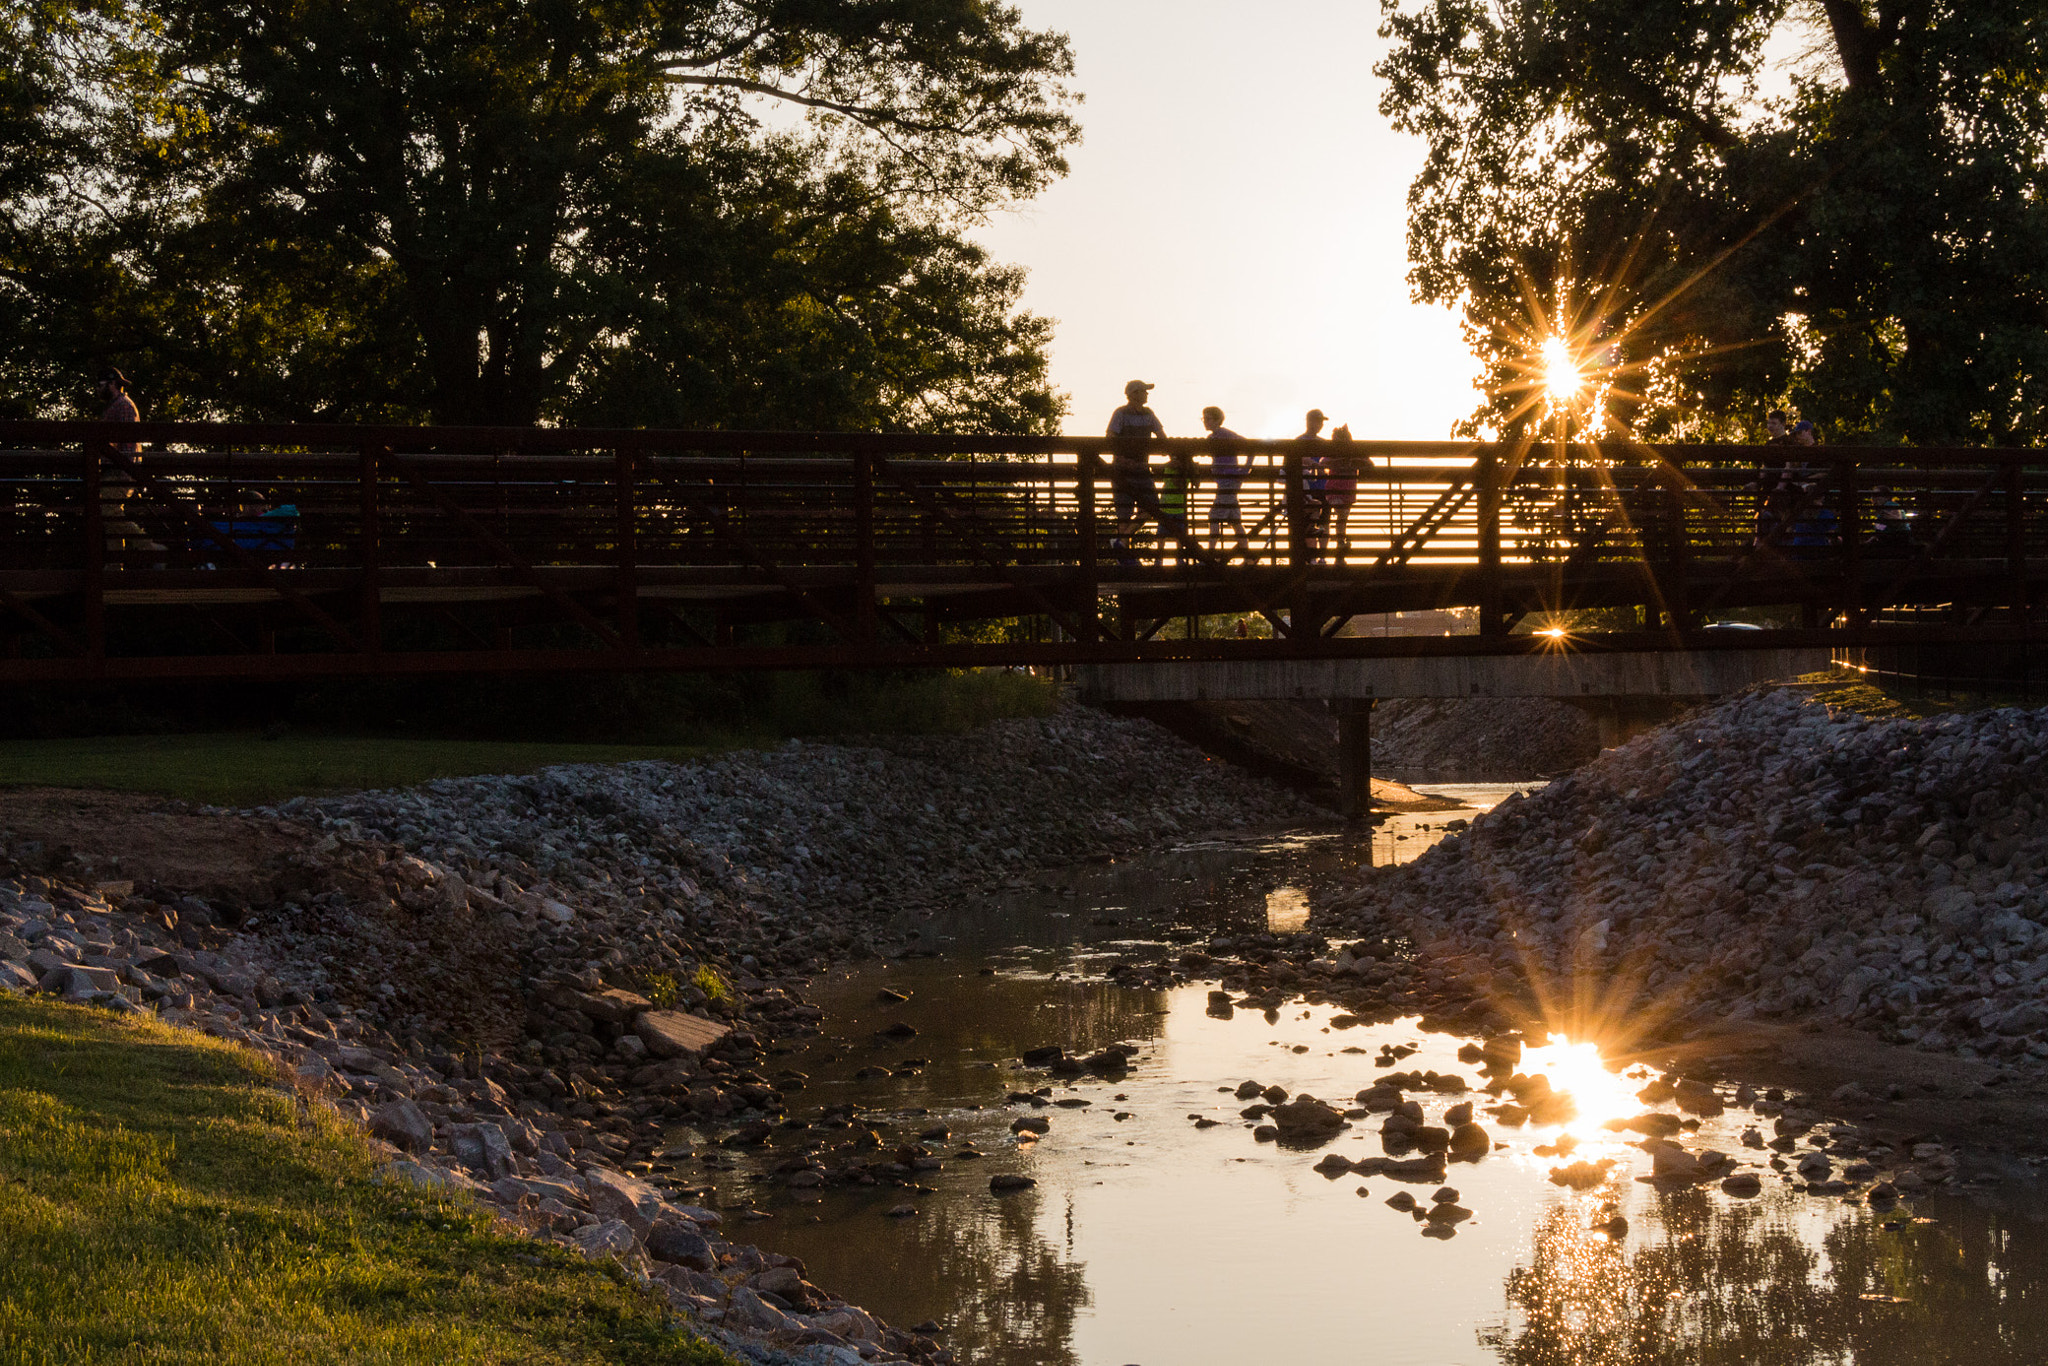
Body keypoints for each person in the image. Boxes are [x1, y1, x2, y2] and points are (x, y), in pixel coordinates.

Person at [94, 367, 163, 560]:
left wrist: (124, 468)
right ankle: (116, 563)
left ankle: (149, 547)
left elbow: (127, 441)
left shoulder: (122, 405)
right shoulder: (118, 404)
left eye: (100, 385)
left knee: (109, 511)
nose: (97, 390)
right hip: (118, 468)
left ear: (111, 384)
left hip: (120, 470)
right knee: (110, 517)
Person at [1106, 380, 1165, 566]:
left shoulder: (1149, 414)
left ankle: (1121, 544)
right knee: (1124, 513)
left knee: (1152, 507)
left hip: (1141, 469)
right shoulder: (1120, 413)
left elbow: (1162, 436)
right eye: (1144, 392)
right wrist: (1123, 460)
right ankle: (1125, 558)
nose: (1147, 395)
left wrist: (1168, 449)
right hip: (1122, 469)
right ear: (1134, 394)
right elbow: (1110, 438)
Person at [1201, 406, 1250, 561]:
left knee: (1214, 516)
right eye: (1204, 418)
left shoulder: (1225, 435)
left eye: (1208, 418)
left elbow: (1251, 447)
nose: (1205, 421)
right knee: (1235, 522)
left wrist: (1245, 470)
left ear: (1217, 420)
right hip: (1226, 482)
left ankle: (1211, 555)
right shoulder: (1212, 438)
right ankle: (1248, 557)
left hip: (1228, 482)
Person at [1323, 424, 1365, 563]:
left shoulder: (1355, 453)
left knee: (1344, 517)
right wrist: (1340, 461)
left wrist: (1355, 461)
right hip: (1335, 489)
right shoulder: (1333, 454)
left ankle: (1341, 544)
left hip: (1348, 491)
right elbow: (1324, 462)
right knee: (1341, 515)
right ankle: (1341, 542)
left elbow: (1369, 463)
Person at [1298, 408, 1329, 557]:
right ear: (1310, 421)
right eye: (1318, 421)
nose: (1320, 425)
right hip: (1307, 489)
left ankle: (1321, 556)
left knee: (1324, 522)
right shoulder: (1299, 442)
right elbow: (1292, 462)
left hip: (1324, 487)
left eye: (1321, 422)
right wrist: (1311, 463)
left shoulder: (1325, 443)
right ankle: (1312, 556)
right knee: (1309, 524)